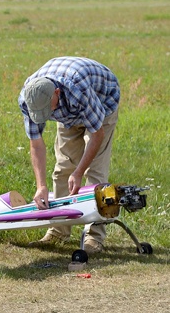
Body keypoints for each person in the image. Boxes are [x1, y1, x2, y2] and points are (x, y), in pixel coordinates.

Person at [18, 57, 120, 254]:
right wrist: (41, 186)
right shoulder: (28, 99)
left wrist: (80, 171)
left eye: (47, 110)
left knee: (95, 173)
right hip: (68, 112)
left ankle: (94, 236)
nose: (44, 115)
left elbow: (97, 134)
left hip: (103, 100)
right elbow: (36, 143)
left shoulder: (77, 89)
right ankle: (58, 230)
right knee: (63, 169)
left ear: (56, 93)